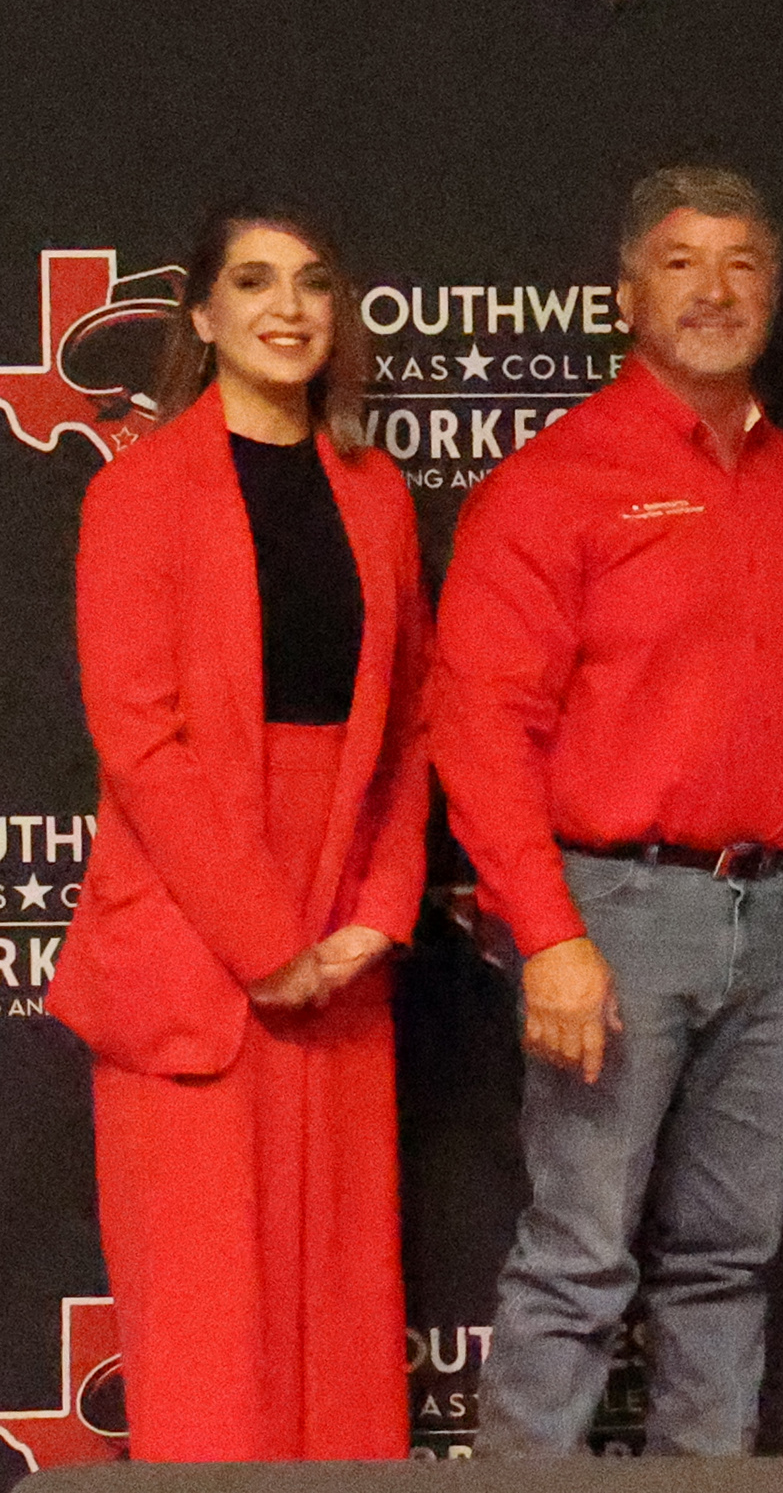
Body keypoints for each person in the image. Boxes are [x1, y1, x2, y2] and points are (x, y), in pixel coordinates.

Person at [432, 167, 783, 1456]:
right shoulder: (555, 481)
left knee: (729, 1258)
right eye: (681, 262)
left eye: (742, 263)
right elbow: (480, 725)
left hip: (768, 908)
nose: (715, 290)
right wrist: (549, 933)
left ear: (774, 291)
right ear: (626, 295)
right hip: (612, 909)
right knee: (579, 1257)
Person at [49, 202, 432, 1461]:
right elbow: (141, 743)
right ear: (204, 318)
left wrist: (378, 912)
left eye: (313, 283)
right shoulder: (138, 494)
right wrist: (268, 944)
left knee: (344, 1335)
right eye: (256, 282)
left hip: (341, 957)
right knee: (210, 1337)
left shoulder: (377, 497)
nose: (289, 307)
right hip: (195, 947)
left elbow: (411, 723)